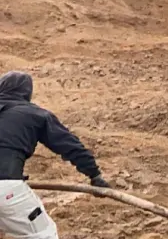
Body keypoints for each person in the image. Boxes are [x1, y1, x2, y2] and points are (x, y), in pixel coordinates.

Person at [0, 71, 109, 239]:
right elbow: (70, 146)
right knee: (43, 234)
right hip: (6, 187)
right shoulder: (35, 115)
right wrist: (95, 175)